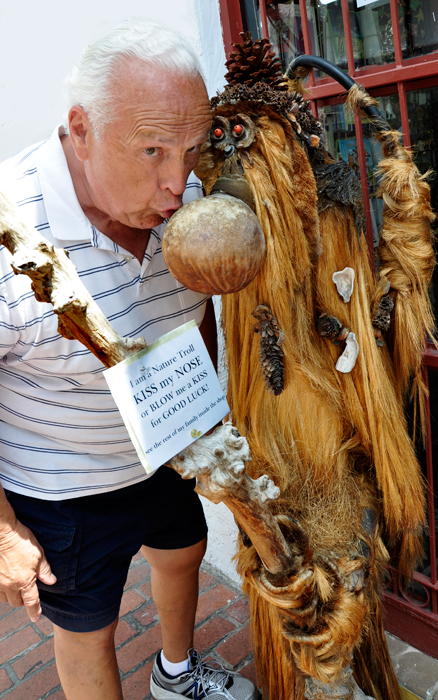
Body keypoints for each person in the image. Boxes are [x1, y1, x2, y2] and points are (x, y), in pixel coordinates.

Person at [0, 19, 258, 700]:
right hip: (66, 485)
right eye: (151, 150)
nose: (178, 183)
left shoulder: (191, 198)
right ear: (80, 129)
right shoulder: (8, 225)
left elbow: (196, 313)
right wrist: (1, 529)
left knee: (184, 551)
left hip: (167, 442)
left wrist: (206, 423)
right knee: (90, 626)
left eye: (193, 149)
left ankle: (175, 672)